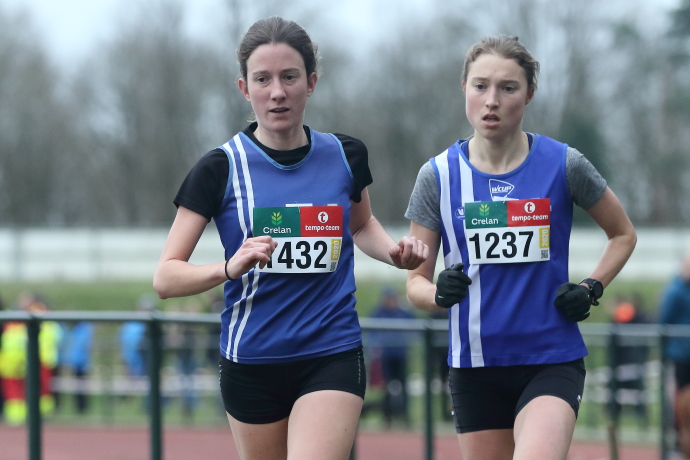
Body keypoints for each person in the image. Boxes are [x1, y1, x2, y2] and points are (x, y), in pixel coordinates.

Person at [153, 16, 427, 460]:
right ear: (245, 88)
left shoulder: (345, 154)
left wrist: (394, 253)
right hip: (252, 359)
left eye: (289, 77)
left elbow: (360, 226)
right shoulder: (220, 168)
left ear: (311, 82)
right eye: (263, 79)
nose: (277, 91)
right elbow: (165, 278)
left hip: (331, 350)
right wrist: (228, 267)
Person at [404, 35, 636, 460]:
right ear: (464, 89)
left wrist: (591, 287)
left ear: (529, 93)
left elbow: (623, 235)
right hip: (474, 367)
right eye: (480, 86)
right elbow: (414, 284)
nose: (491, 100)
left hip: (550, 358)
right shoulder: (437, 176)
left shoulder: (564, 164)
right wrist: (438, 294)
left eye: (508, 88)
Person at [367, 288, 415, 427]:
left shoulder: (404, 313)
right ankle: (387, 416)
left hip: (401, 355)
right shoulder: (377, 313)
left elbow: (414, 331)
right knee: (385, 387)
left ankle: (405, 417)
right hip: (385, 356)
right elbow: (371, 334)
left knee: (404, 386)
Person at [659, 253, 690, 455]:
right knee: (681, 398)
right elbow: (664, 321)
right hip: (681, 354)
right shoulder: (675, 291)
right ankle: (681, 441)